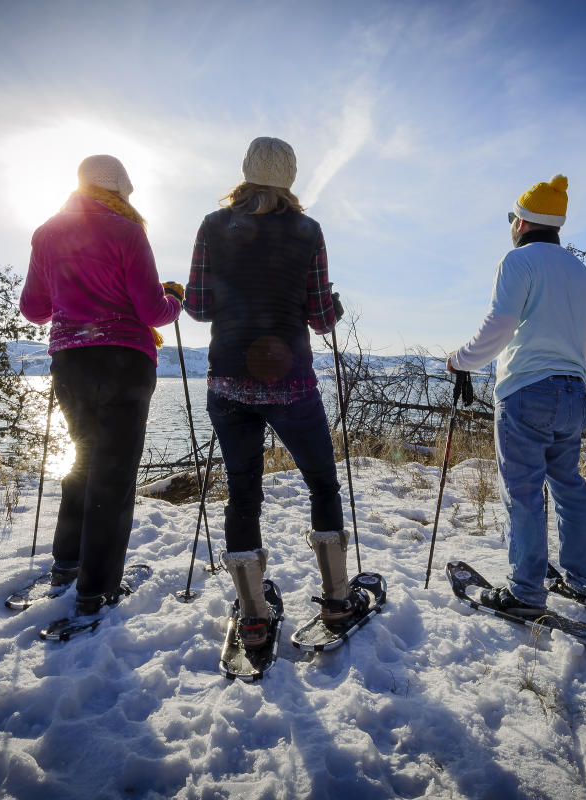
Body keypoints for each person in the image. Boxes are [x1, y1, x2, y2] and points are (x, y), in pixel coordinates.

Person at [183, 136, 363, 649]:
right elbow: (322, 319)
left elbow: (197, 307)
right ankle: (335, 599)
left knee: (244, 493)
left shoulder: (213, 226)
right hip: (290, 383)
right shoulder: (308, 231)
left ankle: (254, 615)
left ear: (245, 172)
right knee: (322, 486)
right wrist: (333, 305)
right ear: (290, 177)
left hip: (228, 379)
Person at [20, 154, 183, 615]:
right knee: (113, 472)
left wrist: (73, 293)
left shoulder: (47, 232)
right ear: (120, 191)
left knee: (84, 459)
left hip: (70, 360)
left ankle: (65, 565)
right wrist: (175, 298)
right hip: (124, 361)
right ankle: (97, 589)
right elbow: (153, 312)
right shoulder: (128, 232)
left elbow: (34, 309)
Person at [446, 174, 586, 617]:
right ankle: (583, 580)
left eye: (512, 217)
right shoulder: (578, 269)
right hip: (574, 391)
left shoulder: (518, 262)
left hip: (526, 391)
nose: (511, 224)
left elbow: (500, 325)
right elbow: (583, 337)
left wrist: (461, 360)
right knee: (569, 486)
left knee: (524, 492)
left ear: (522, 223)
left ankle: (526, 591)